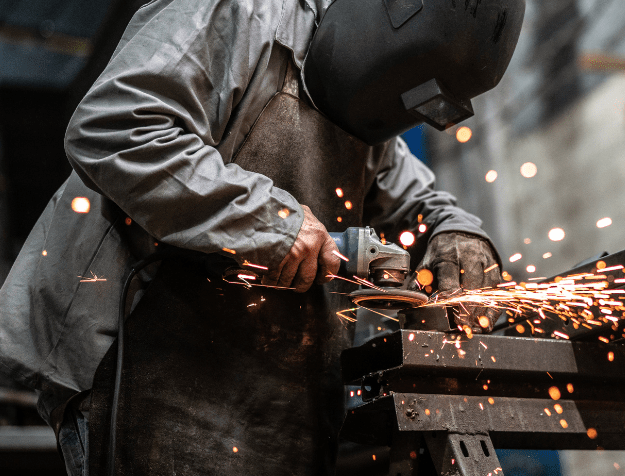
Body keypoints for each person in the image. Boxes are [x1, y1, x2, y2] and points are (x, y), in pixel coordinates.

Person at [0, 0, 524, 474]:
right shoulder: (237, 13)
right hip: (151, 365)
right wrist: (273, 223)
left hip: (285, 398)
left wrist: (459, 235)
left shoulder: (369, 111)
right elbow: (114, 127)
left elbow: (422, 202)